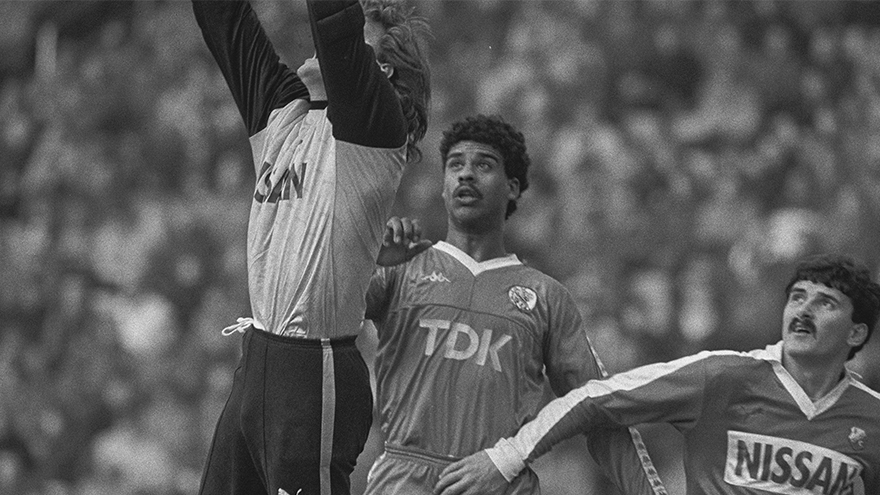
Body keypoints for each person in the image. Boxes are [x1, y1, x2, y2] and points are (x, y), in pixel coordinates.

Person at [191, 0, 430, 493]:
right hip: (258, 358)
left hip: (313, 370)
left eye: (356, 39)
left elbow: (334, 22)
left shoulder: (376, 126)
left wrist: (345, 27)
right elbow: (224, 19)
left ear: (380, 68)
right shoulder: (284, 111)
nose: (317, 46)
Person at [365, 115, 667, 495]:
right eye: (455, 165)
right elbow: (316, 317)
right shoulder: (401, 268)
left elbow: (596, 408)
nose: (466, 174)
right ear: (443, 187)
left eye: (484, 165)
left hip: (499, 481)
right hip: (403, 481)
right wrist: (364, 262)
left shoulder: (546, 296)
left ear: (511, 188)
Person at [435, 254, 880, 495]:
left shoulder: (872, 419)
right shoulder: (725, 377)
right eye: (797, 297)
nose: (803, 310)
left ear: (857, 332)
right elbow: (595, 399)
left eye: (825, 303)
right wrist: (507, 457)